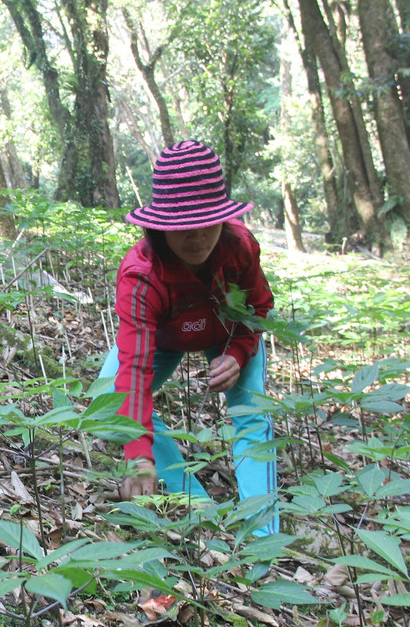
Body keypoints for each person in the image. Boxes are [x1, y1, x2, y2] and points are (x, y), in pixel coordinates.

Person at [100, 140, 279, 537]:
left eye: (208, 221)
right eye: (182, 226)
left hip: (229, 328)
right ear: (159, 225)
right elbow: (133, 370)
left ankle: (261, 541)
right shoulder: (142, 275)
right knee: (106, 403)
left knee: (250, 418)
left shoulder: (240, 248)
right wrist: (138, 456)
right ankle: (198, 509)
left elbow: (261, 306)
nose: (196, 236)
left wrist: (238, 351)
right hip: (165, 338)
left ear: (224, 218)